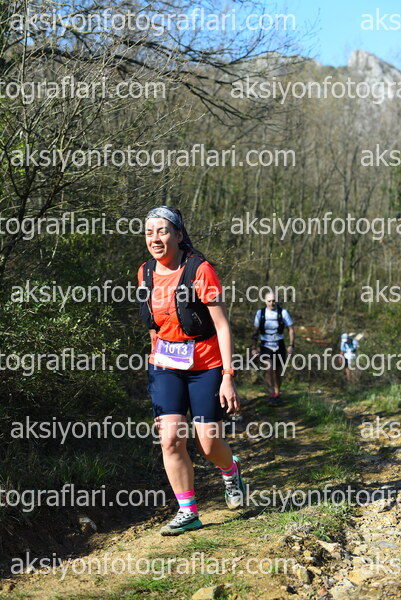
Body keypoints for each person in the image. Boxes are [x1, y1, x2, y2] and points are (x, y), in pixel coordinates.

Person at [137, 205, 245, 536]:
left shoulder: (200, 270)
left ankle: (230, 470)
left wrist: (228, 376)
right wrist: (155, 355)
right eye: (149, 232)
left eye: (162, 231)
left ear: (179, 235)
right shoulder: (145, 272)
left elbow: (222, 325)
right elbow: (153, 321)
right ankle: (188, 511)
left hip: (206, 365)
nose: (155, 238)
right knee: (170, 439)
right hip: (165, 366)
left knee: (207, 443)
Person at [251, 292, 295, 406]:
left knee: (278, 371)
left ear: (277, 301)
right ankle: (271, 394)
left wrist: (291, 345)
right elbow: (255, 331)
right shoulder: (260, 313)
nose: (272, 303)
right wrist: (254, 348)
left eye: (274, 300)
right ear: (265, 301)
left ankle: (277, 394)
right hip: (265, 345)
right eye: (269, 301)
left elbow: (291, 329)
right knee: (268, 368)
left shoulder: (283, 312)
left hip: (279, 344)